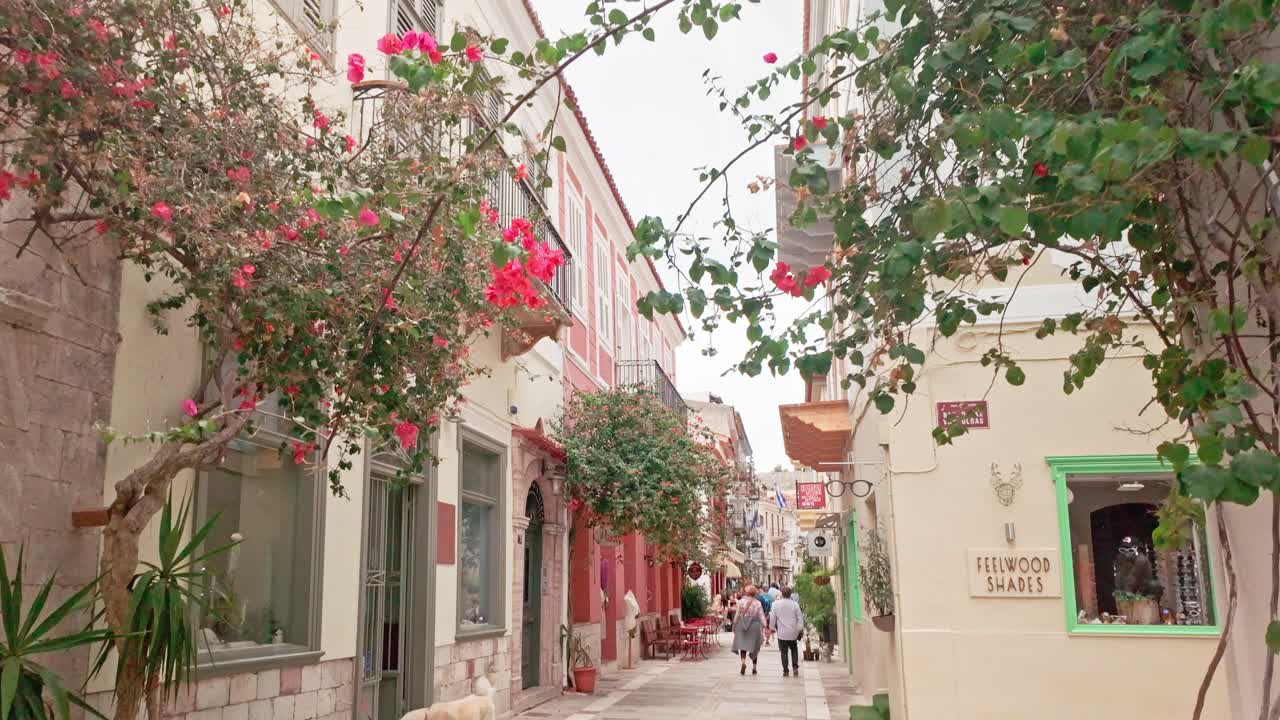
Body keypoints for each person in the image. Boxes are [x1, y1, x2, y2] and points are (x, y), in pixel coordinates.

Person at [769, 586, 805, 677]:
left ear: (782, 593)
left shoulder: (776, 604)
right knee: (794, 649)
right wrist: (800, 629)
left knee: (784, 651)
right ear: (790, 594)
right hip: (793, 632)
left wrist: (772, 628)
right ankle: (795, 667)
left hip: (782, 632)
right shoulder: (795, 604)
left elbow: (773, 617)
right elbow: (800, 618)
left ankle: (785, 670)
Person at [731, 585, 766, 675]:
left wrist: (734, 625)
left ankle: (743, 663)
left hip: (742, 624)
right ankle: (754, 668)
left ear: (747, 592)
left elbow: (737, 615)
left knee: (743, 646)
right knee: (754, 648)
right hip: (754, 625)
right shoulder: (758, 603)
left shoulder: (741, 602)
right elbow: (761, 616)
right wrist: (765, 625)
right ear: (755, 593)